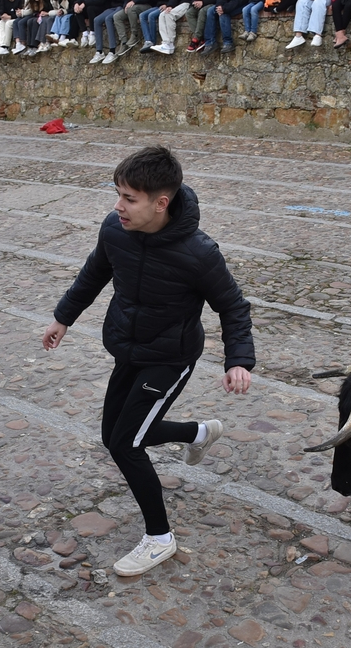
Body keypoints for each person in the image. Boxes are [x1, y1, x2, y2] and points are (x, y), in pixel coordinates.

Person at [43, 146, 254, 577]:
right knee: (114, 434)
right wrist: (63, 317)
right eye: (117, 195)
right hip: (128, 347)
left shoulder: (199, 253)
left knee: (127, 443)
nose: (118, 206)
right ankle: (197, 433)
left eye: (129, 199)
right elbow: (93, 275)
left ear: (161, 203)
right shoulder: (114, 229)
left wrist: (238, 360)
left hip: (170, 359)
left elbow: (233, 306)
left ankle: (160, 538)